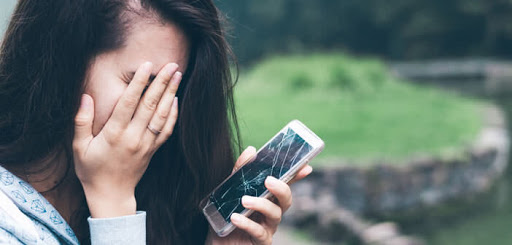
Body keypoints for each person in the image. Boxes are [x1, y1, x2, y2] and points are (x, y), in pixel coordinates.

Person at [0, 0, 313, 244]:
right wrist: (114, 204)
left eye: (174, 91)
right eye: (145, 86)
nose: (162, 116)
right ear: (62, 64)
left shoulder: (161, 196)